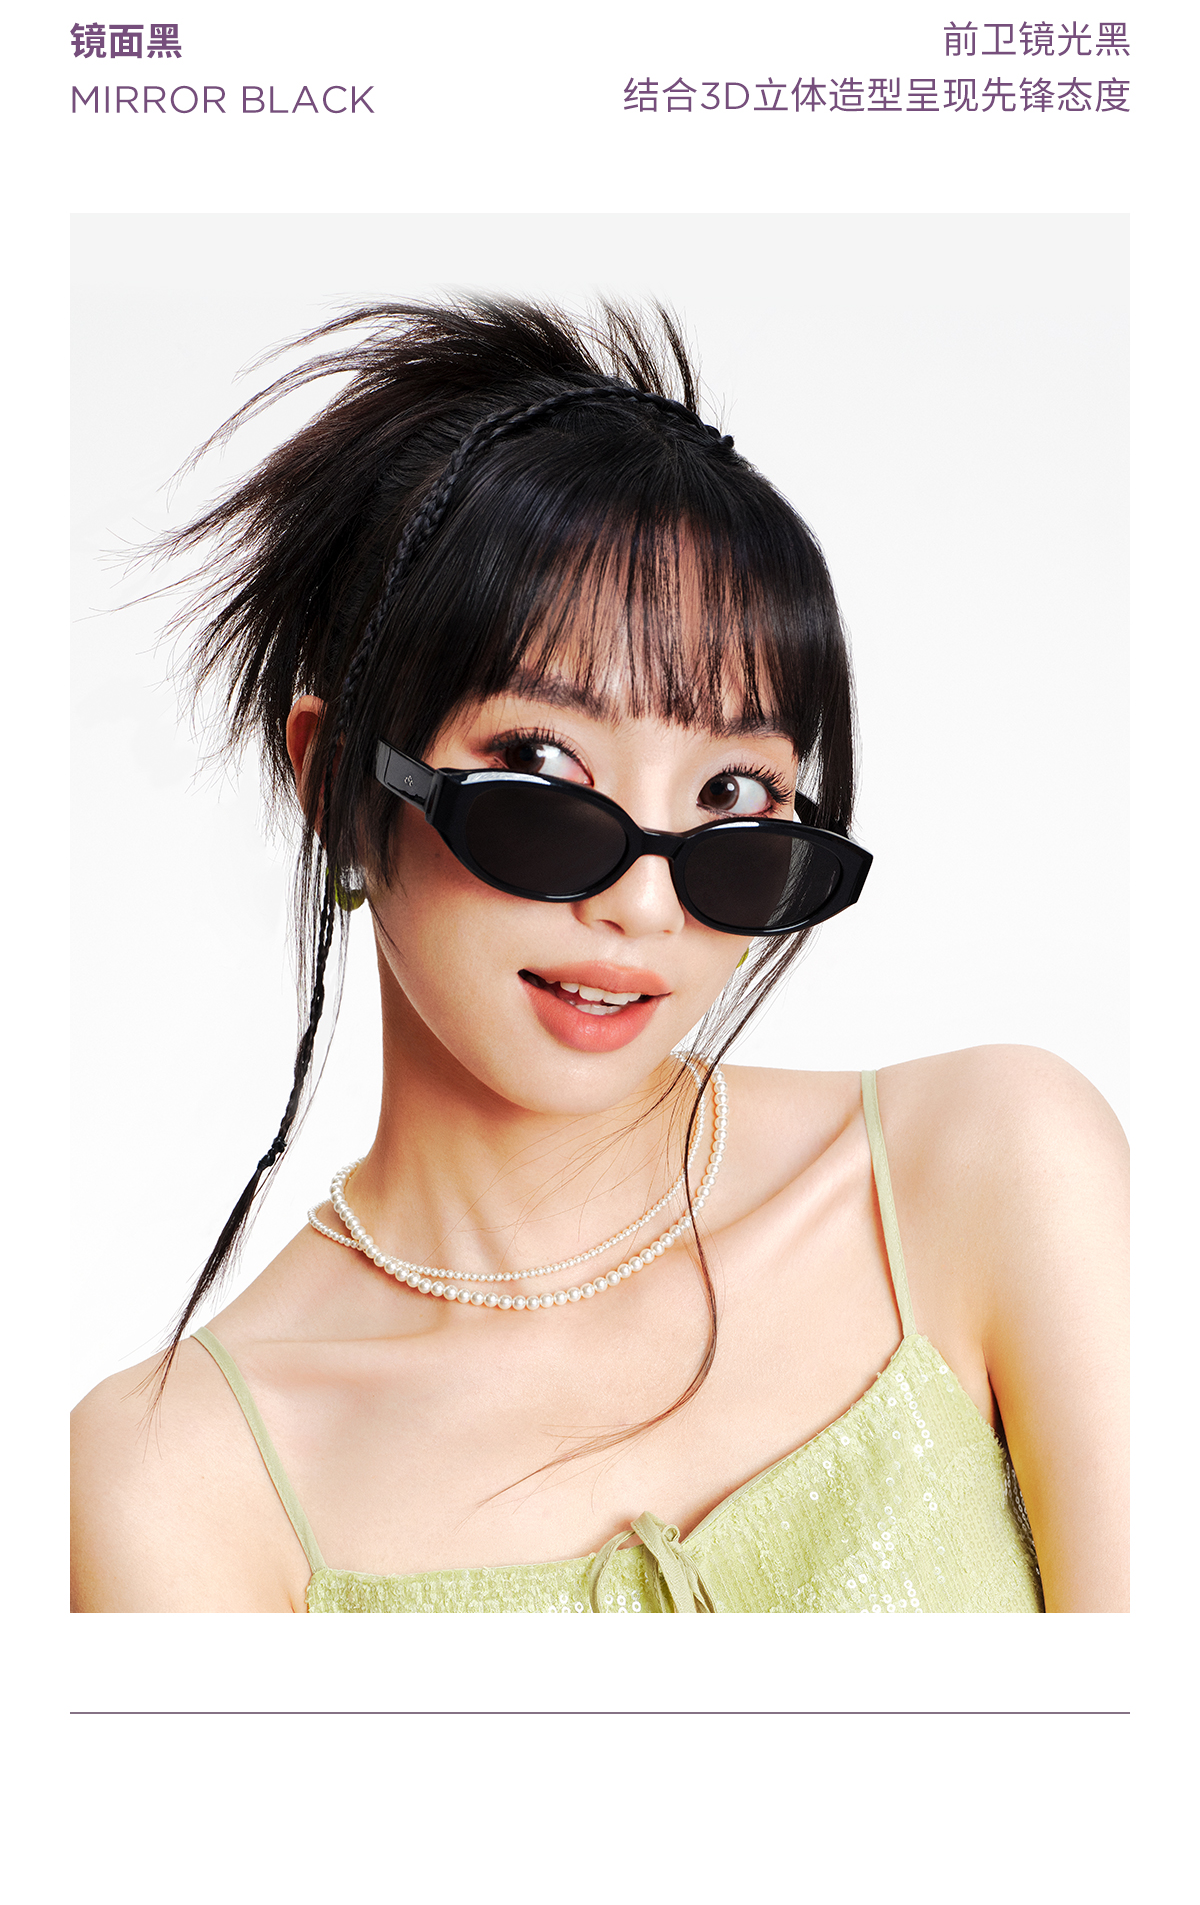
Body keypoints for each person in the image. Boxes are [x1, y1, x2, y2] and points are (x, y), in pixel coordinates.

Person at [70, 298, 1128, 1613]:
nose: (643, 903)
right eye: (542, 766)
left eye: (732, 795)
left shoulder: (989, 1168)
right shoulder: (178, 1481)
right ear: (337, 779)